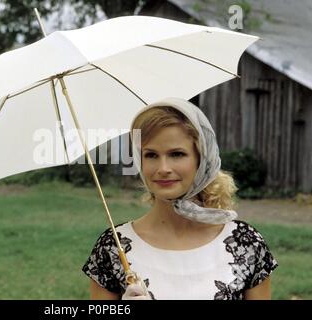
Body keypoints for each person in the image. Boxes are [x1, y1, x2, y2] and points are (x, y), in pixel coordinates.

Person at [82, 97, 278, 300]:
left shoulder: (246, 243)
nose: (163, 168)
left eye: (176, 154)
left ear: (202, 159)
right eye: (151, 155)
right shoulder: (114, 246)